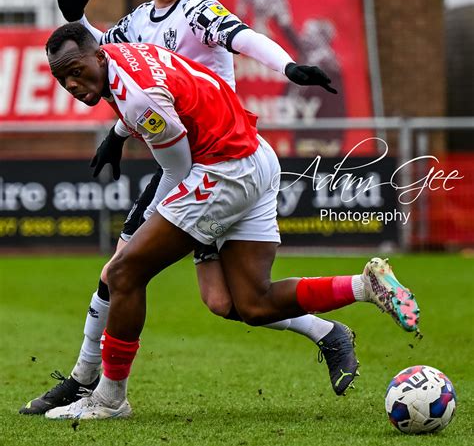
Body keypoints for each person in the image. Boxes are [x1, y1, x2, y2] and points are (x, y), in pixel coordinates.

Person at [19, 0, 353, 415]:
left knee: (121, 269)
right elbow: (100, 54)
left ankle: (87, 383)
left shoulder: (198, 12)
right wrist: (80, 18)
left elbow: (243, 38)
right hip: (192, 157)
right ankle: (328, 330)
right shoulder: (135, 22)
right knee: (226, 302)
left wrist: (287, 67)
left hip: (212, 160)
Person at [42, 24, 419, 420]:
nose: (71, 82)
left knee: (123, 273)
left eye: (76, 70)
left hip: (222, 171)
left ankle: (109, 399)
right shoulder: (122, 54)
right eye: (61, 77)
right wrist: (119, 135)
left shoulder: (140, 99)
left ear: (98, 56)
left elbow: (177, 171)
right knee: (251, 303)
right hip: (255, 155)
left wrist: (137, 230)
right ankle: (365, 285)